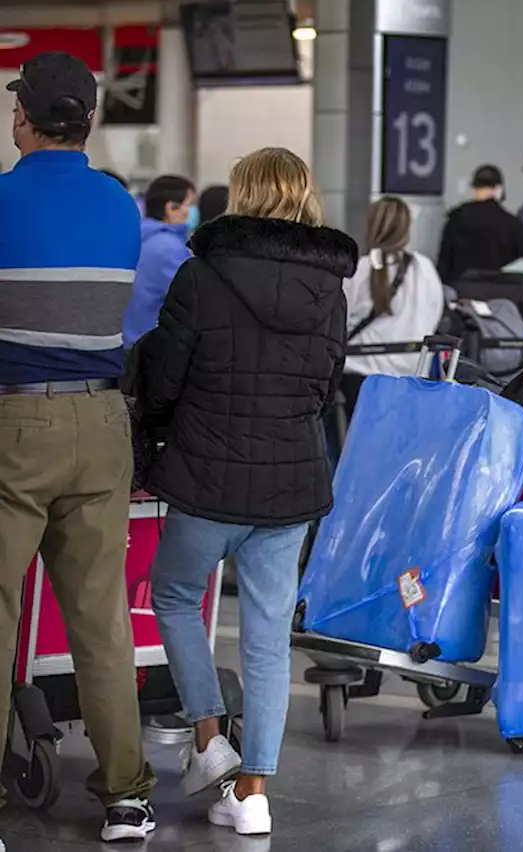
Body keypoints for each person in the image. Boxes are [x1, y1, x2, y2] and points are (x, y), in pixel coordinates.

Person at [138, 147, 353, 836]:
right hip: (291, 481)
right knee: (267, 639)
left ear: (244, 194)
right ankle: (252, 794)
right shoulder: (331, 288)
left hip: (207, 476)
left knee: (173, 592)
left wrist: (160, 433)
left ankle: (206, 739)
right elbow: (325, 389)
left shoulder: (201, 275)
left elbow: (163, 378)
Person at [0, 50, 159, 843]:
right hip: (102, 424)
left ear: (22, 117)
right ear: (89, 120)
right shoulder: (120, 207)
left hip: (14, 421)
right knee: (102, 621)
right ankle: (125, 794)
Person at [342, 196, 446, 418]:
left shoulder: (360, 270)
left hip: (361, 381)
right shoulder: (424, 268)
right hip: (413, 378)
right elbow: (434, 316)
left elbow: (341, 319)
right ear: (407, 227)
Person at [122, 174, 197, 347]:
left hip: (130, 339)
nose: (193, 212)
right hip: (152, 344)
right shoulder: (168, 247)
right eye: (190, 205)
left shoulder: (139, 236)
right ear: (171, 207)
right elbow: (191, 297)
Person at [437, 164, 523, 284]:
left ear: (474, 188)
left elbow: (444, 266)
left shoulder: (456, 220)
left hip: (463, 292)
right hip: (503, 293)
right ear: (499, 189)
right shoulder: (512, 224)